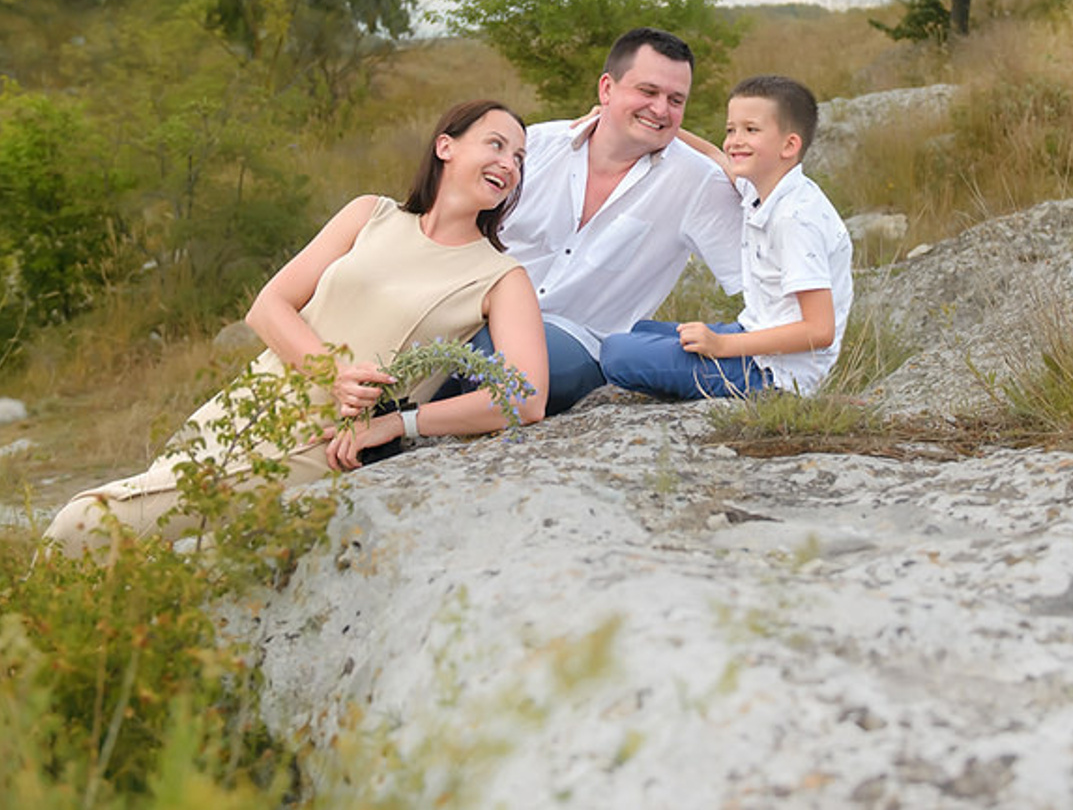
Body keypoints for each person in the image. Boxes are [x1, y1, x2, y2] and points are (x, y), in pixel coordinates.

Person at [45, 100, 548, 558]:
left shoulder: (501, 277)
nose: (509, 164)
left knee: (83, 522)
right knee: (130, 548)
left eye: (520, 158)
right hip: (246, 406)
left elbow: (526, 398)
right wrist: (333, 372)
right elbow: (268, 307)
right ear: (445, 146)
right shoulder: (370, 214)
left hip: (317, 444)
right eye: (496, 145)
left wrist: (400, 422)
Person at [458, 27, 744, 416]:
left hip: (577, 343)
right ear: (606, 89)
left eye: (675, 100)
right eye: (648, 91)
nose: (661, 109)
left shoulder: (697, 183)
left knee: (487, 357)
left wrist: (720, 159)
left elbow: (763, 278)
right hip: (476, 313)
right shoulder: (536, 146)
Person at [599, 74, 853, 399]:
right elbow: (713, 155)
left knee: (617, 352)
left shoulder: (795, 219)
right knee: (637, 328)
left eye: (751, 130)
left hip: (773, 373)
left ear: (789, 145)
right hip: (752, 335)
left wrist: (722, 346)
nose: (734, 141)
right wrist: (628, 121)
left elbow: (819, 330)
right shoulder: (764, 184)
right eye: (731, 129)